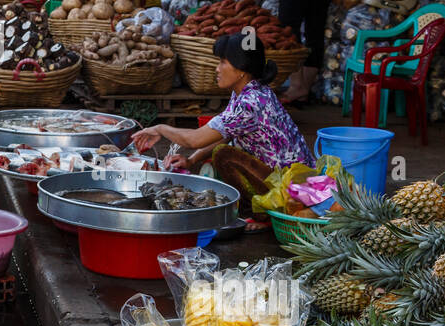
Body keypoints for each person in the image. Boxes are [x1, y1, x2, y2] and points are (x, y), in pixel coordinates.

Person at [131, 34, 312, 229]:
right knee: (224, 150)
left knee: (224, 155)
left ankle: (263, 215)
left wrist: (160, 128)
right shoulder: (249, 91)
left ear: (241, 70)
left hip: (289, 188)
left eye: (223, 62)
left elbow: (195, 139)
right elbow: (225, 133)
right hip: (287, 178)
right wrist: (191, 160)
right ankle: (263, 210)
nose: (217, 68)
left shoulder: (250, 104)